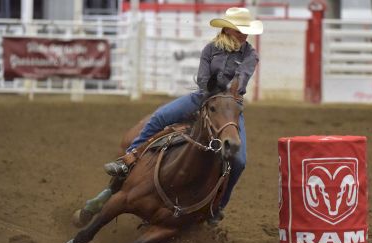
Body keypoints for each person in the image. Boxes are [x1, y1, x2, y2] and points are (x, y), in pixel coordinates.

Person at [84, 7, 263, 224]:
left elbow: (241, 80)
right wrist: (210, 87)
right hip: (203, 97)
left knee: (239, 161)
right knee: (159, 117)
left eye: (246, 30)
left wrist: (227, 89)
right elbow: (202, 78)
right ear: (227, 29)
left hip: (228, 107)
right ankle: (129, 158)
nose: (244, 34)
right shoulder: (210, 49)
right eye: (240, 30)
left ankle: (218, 205)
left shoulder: (250, 55)